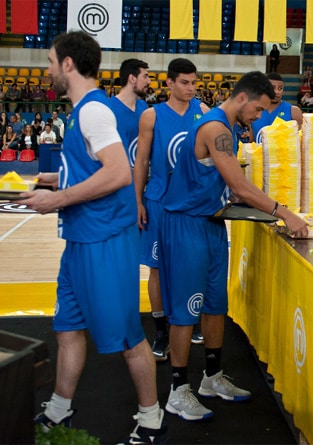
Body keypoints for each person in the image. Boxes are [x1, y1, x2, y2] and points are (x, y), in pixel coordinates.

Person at [19, 30, 167, 444]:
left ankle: (153, 420)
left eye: (51, 62)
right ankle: (60, 409)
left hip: (105, 241)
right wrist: (53, 180)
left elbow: (118, 172)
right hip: (82, 241)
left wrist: (59, 198)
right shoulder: (83, 110)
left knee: (127, 337)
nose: (46, 70)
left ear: (68, 64)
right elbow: (93, 166)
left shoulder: (92, 111)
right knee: (67, 327)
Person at [158, 71, 308, 421]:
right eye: (257, 109)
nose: (258, 116)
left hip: (211, 223)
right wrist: (283, 212)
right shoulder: (214, 128)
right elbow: (239, 187)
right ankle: (178, 390)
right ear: (243, 98)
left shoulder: (226, 128)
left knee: (215, 305)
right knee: (185, 312)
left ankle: (211, 378)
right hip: (185, 225)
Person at [135, 58, 210, 363]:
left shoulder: (203, 112)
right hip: (159, 200)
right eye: (184, 82)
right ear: (169, 83)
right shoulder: (152, 116)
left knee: (192, 263)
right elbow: (141, 162)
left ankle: (187, 319)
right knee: (157, 268)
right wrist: (137, 200)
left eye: (194, 82)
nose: (191, 88)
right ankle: (162, 329)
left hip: (192, 204)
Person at [108, 59, 150, 168]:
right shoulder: (108, 109)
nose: (149, 81)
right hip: (117, 177)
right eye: (145, 76)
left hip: (139, 176)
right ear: (132, 78)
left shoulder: (143, 107)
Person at [251, 72, 303, 144]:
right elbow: (250, 143)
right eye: (273, 88)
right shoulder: (253, 111)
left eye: (280, 88)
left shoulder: (294, 111)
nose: (277, 92)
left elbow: (301, 142)